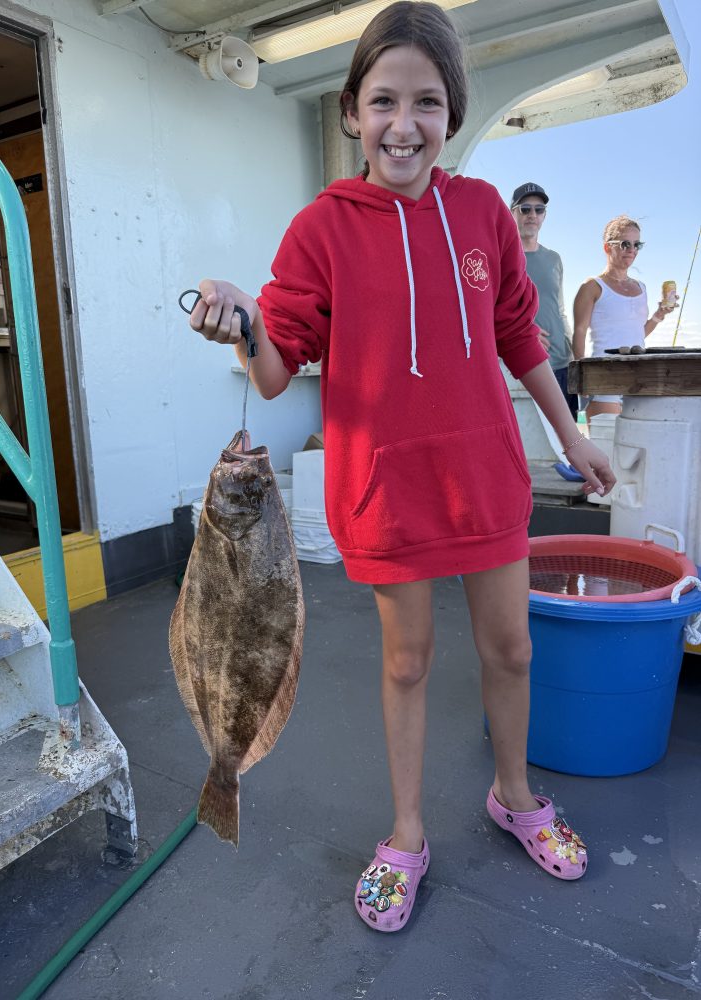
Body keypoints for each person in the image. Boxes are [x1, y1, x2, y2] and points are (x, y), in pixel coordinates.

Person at [189, 1, 615, 932]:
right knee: (408, 662)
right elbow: (275, 371)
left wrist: (571, 436)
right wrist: (242, 318)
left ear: (451, 115)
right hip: (387, 492)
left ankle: (514, 794)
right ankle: (408, 833)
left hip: (486, 477)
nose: (404, 124)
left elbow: (519, 334)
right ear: (352, 111)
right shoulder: (320, 229)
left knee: (512, 648)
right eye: (384, 100)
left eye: (427, 102)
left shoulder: (484, 212)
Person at [573, 215, 676, 424]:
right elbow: (580, 331)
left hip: (639, 380)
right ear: (607, 247)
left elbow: (636, 334)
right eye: (625, 244)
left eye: (637, 244)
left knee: (638, 443)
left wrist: (658, 315)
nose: (631, 250)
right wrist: (581, 374)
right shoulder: (592, 286)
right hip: (605, 377)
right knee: (606, 443)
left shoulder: (642, 287)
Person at [510, 183, 578, 418]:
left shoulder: (553, 259)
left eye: (539, 210)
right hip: (524, 365)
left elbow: (560, 309)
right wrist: (524, 332)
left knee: (569, 435)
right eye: (525, 209)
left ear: (544, 216)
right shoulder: (500, 257)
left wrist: (573, 356)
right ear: (512, 213)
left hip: (561, 362)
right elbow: (488, 311)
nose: (532, 215)